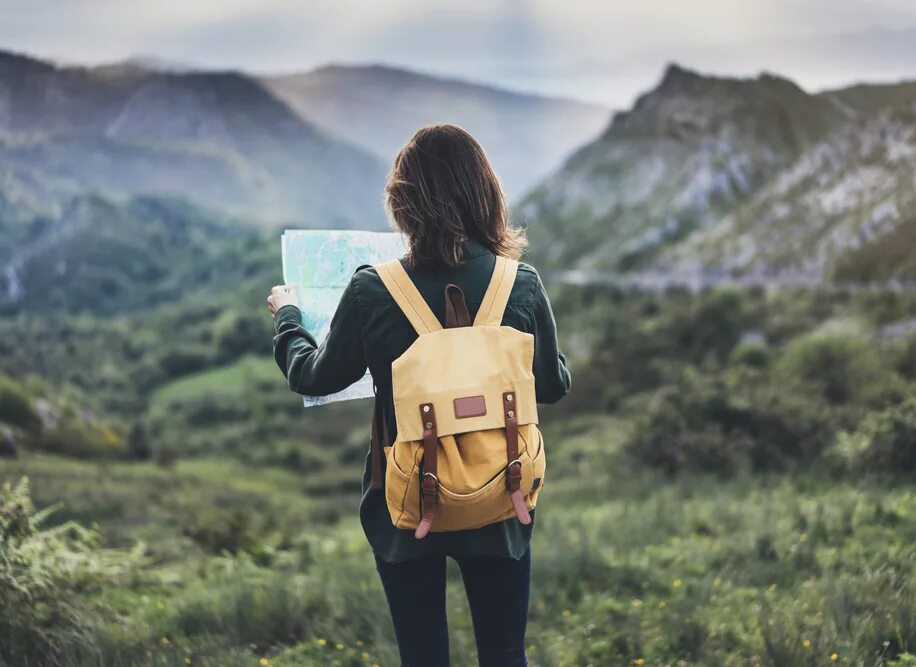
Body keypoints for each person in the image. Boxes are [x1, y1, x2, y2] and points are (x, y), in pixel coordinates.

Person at [267, 124, 571, 667]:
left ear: (405, 203)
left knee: (422, 658)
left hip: (406, 504)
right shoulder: (520, 284)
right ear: (486, 195)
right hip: (504, 496)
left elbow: (312, 376)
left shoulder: (371, 289)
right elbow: (552, 387)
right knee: (505, 655)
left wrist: (289, 317)